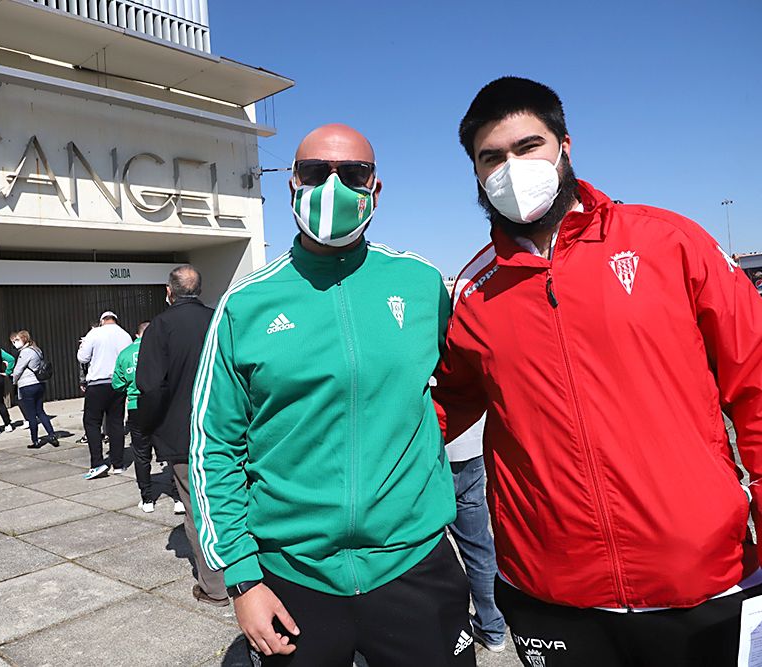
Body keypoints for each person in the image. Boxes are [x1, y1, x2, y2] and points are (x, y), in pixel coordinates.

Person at [434, 76, 762, 667]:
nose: (510, 167)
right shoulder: (474, 290)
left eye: (527, 146)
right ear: (476, 173)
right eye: (491, 157)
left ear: (564, 144)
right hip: (551, 593)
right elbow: (443, 403)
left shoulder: (668, 241)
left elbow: (755, 379)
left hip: (704, 579)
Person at [188, 125, 472, 666]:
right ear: (292, 183)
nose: (333, 186)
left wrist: (419, 446)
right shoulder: (245, 305)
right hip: (292, 575)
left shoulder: (420, 284)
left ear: (376, 189)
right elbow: (212, 446)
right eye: (316, 173)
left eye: (353, 174)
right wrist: (242, 579)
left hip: (414, 563)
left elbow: (460, 384)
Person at [138, 265, 231, 608]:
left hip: (183, 434)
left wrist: (147, 428)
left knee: (197, 511)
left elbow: (149, 386)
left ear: (169, 291)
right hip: (228, 428)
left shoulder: (159, 327)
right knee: (233, 502)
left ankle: (215, 586)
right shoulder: (220, 319)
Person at [445, 417, 507, 653]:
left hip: (428, 450)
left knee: (429, 549)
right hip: (470, 443)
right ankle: (493, 627)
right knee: (478, 545)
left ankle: (446, 630)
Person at [78, 311, 133, 478]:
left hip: (97, 383)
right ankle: (118, 464)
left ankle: (97, 463)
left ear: (102, 321)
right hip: (117, 383)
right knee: (115, 423)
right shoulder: (125, 335)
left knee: (92, 422)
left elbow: (83, 357)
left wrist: (82, 345)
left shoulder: (94, 333)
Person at [112, 321, 156, 511]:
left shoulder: (125, 354)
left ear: (137, 334)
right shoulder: (161, 350)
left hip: (136, 406)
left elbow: (117, 384)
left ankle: (147, 499)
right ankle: (178, 497)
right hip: (160, 405)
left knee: (141, 453)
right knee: (170, 452)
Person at [11, 330, 58, 448]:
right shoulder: (37, 350)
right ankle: (52, 435)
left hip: (27, 385)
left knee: (31, 415)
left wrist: (13, 380)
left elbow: (18, 369)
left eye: (17, 340)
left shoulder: (25, 352)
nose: (15, 342)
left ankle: (35, 440)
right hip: (39, 384)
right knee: (41, 411)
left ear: (24, 339)